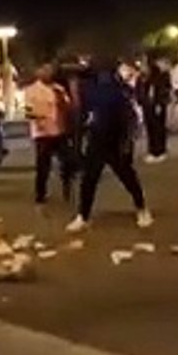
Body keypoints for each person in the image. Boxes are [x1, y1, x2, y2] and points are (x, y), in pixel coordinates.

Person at [66, 63, 152, 233]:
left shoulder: (111, 91)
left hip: (114, 140)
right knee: (89, 180)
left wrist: (127, 141)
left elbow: (128, 117)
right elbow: (82, 118)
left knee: (127, 176)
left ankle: (142, 209)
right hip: (97, 140)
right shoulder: (89, 91)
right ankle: (83, 215)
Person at [25, 63, 74, 210]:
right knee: (43, 166)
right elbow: (28, 111)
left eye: (50, 70)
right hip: (43, 133)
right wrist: (38, 120)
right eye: (44, 69)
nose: (48, 73)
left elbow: (68, 106)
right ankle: (40, 195)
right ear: (37, 71)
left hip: (60, 130)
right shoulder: (31, 90)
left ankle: (67, 187)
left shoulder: (58, 89)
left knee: (67, 162)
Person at [136, 55, 171, 163]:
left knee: (158, 128)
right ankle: (153, 151)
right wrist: (140, 100)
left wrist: (159, 103)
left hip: (156, 105)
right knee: (151, 129)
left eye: (144, 63)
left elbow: (162, 90)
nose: (142, 66)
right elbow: (139, 90)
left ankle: (159, 151)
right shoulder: (142, 77)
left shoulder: (158, 76)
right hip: (147, 105)